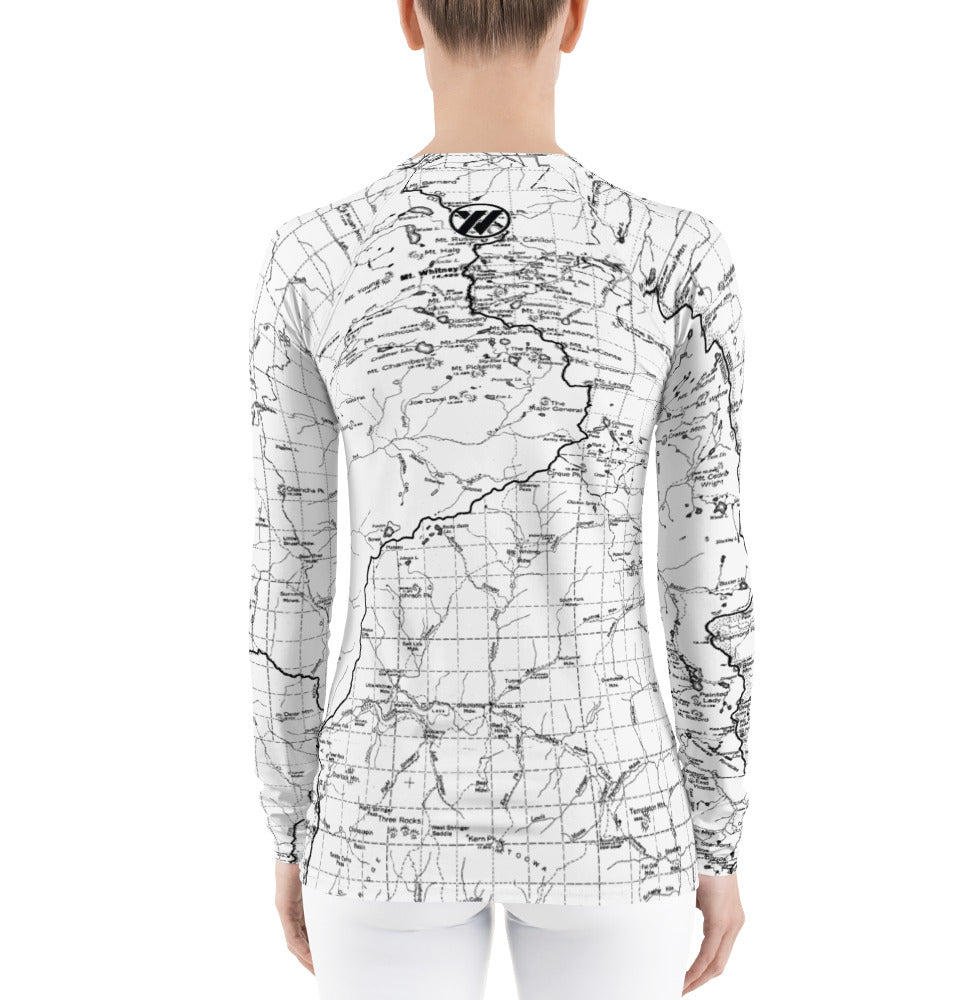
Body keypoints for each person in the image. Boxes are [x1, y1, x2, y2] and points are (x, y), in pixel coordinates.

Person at [247, 1, 754, 997]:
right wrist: (720, 830)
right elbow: (709, 572)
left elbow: (288, 576)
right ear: (574, 18)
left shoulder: (316, 257)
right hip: (612, 810)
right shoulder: (674, 255)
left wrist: (288, 824)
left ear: (408, 17)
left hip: (378, 814)